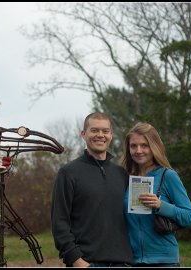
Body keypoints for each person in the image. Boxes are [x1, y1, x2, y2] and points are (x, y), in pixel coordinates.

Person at [51, 112, 134, 267]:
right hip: (87, 263)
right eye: (94, 130)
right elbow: (59, 223)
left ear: (111, 135)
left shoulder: (122, 174)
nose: (100, 135)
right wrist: (77, 261)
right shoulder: (68, 173)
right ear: (83, 134)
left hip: (123, 263)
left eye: (105, 131)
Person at [121, 122, 191, 267]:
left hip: (164, 261)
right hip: (131, 261)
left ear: (154, 146)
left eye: (144, 145)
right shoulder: (124, 178)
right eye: (133, 146)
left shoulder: (168, 176)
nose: (138, 150)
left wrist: (160, 205)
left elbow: (190, 218)